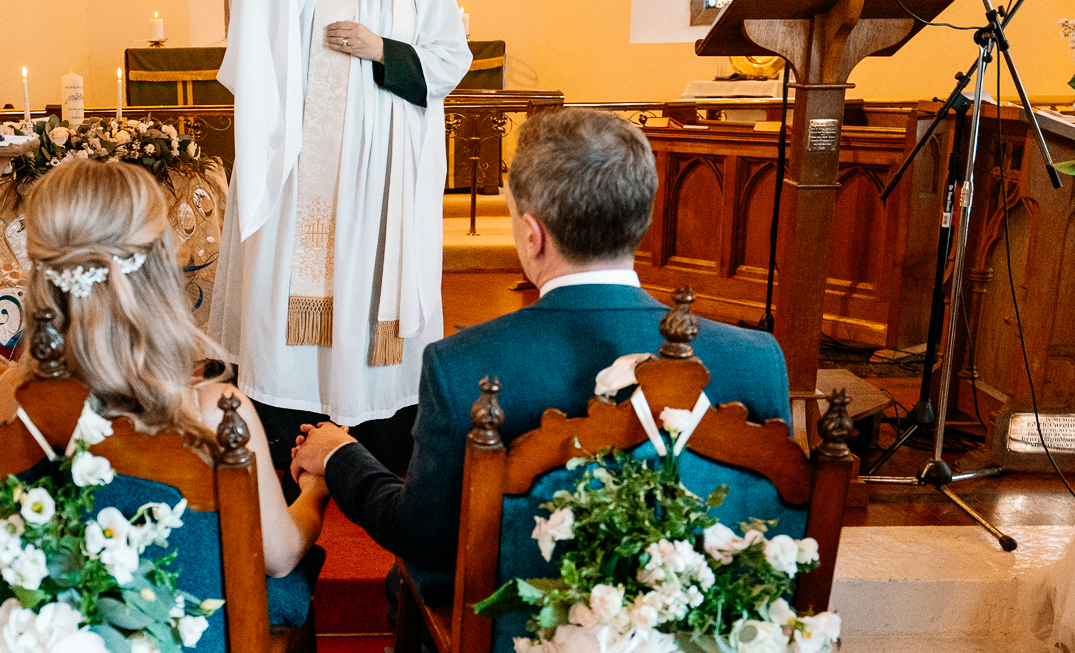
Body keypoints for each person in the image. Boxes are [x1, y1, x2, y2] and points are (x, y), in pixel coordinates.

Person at [289, 108, 791, 576]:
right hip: (705, 652)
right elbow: (769, 540)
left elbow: (427, 541)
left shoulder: (462, 366)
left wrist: (340, 456)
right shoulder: (757, 360)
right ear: (642, 218)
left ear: (533, 235)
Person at [215, 0, 471, 471]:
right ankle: (287, 417)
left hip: (387, 169)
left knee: (374, 278)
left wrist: (381, 47)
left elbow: (449, 58)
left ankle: (378, 430)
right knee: (296, 279)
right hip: (310, 170)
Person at [0, 157, 329, 579]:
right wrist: (315, 491)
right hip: (187, 643)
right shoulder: (217, 412)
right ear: (159, 269)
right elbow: (279, 556)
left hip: (31, 640)